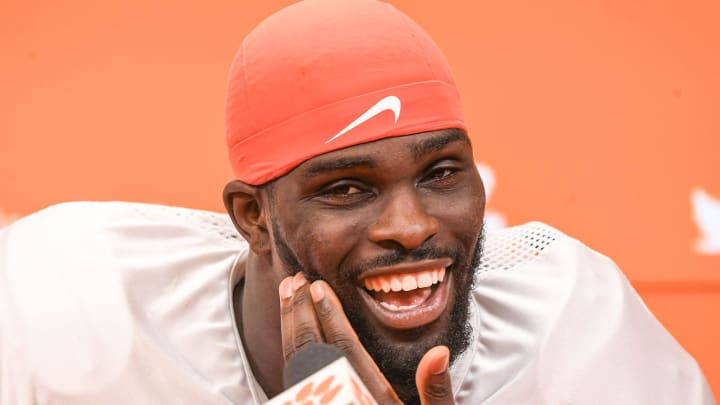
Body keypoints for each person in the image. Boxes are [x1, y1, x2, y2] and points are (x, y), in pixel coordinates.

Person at [0, 0, 715, 404]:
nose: (412, 227)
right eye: (347, 187)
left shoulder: (569, 323)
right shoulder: (68, 309)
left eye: (440, 171)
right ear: (252, 216)